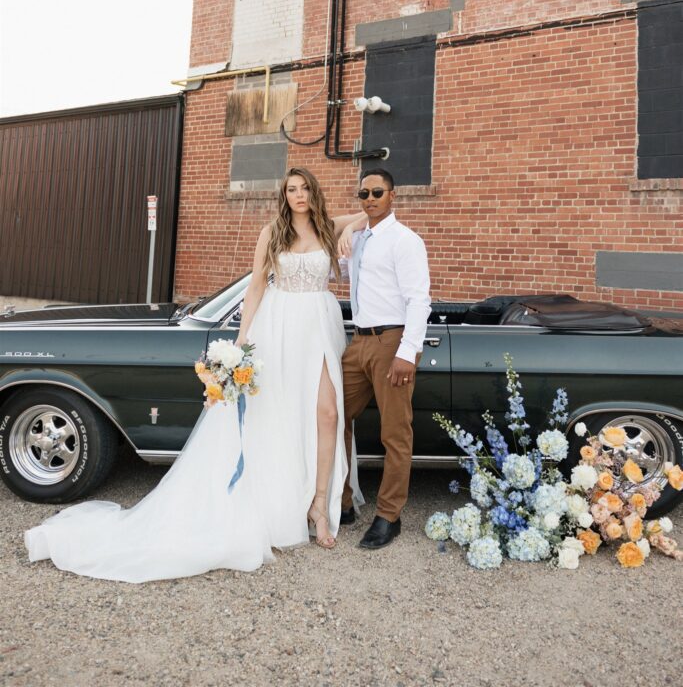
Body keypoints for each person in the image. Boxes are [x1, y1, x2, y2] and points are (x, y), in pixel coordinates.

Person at [24, 168, 364, 581]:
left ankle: (319, 504)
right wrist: (241, 346)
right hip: (279, 329)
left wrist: (349, 233)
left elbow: (371, 213)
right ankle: (285, 501)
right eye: (291, 190)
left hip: (320, 325)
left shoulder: (329, 227)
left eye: (304, 188)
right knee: (278, 415)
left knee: (327, 414)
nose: (298, 195)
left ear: (314, 191)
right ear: (284, 195)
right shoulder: (272, 233)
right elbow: (256, 288)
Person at [338, 168, 431, 550]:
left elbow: (418, 299)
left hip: (392, 341)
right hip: (358, 341)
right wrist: (347, 233)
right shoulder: (358, 238)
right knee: (332, 417)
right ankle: (341, 502)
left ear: (393, 196)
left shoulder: (405, 240)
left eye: (378, 192)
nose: (371, 198)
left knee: (394, 432)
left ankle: (389, 515)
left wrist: (407, 352)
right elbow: (341, 272)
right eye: (364, 193)